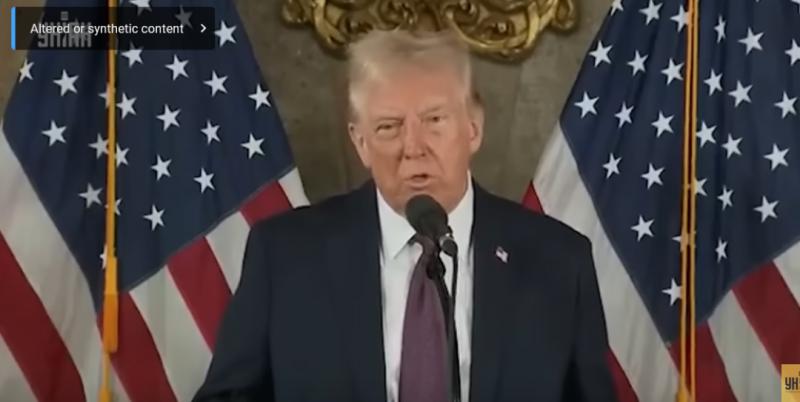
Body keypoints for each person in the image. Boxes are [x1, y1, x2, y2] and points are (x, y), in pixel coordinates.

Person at [194, 29, 617, 402]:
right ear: (360, 143)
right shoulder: (284, 255)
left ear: (473, 128)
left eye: (434, 120)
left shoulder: (560, 262)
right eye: (388, 127)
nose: (413, 147)